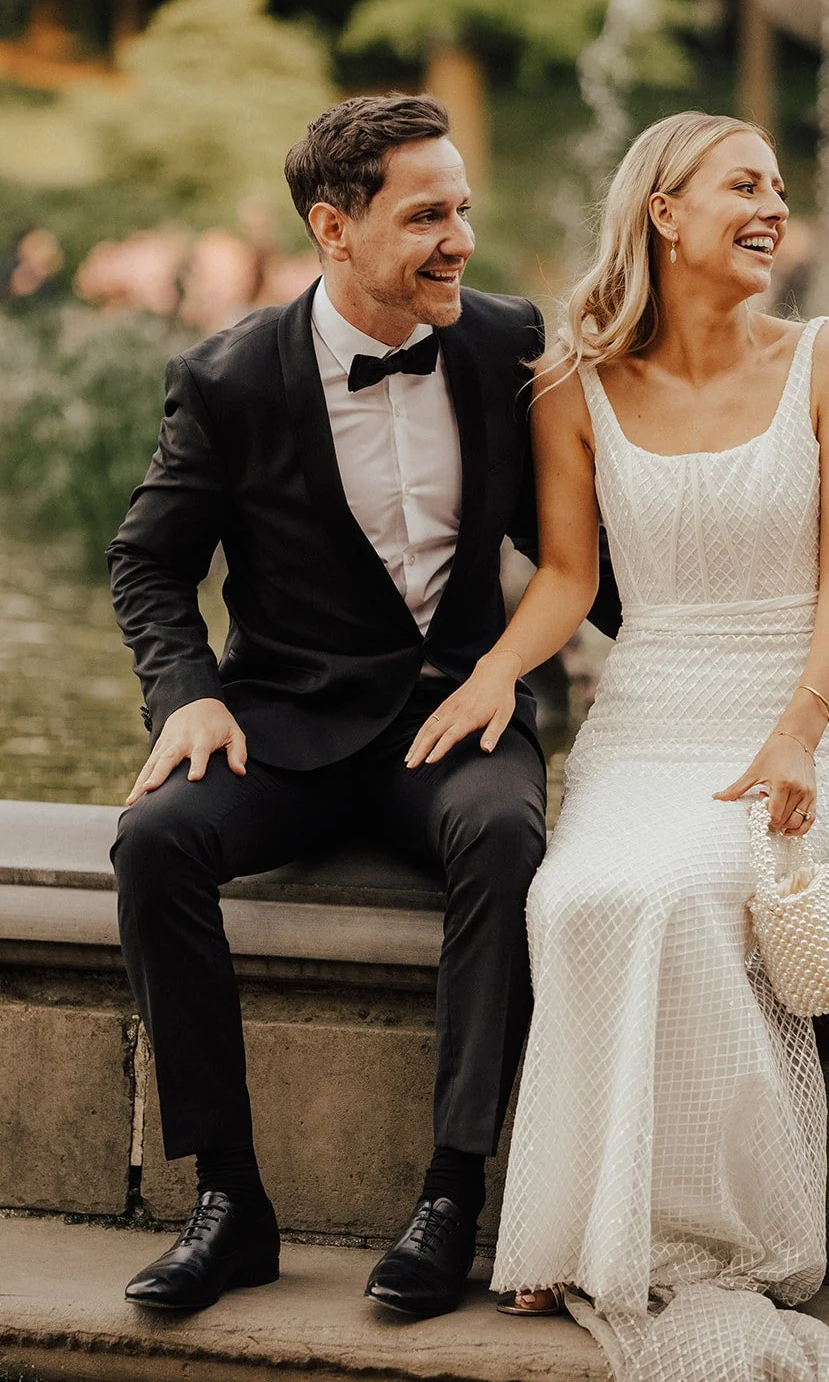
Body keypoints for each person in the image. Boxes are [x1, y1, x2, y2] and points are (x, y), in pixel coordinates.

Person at [407, 112, 829, 1382]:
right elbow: (569, 580)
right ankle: (582, 1230)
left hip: (793, 712)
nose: (770, 208)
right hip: (647, 716)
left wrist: (801, 728)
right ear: (664, 215)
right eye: (739, 186)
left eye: (773, 189)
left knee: (683, 894)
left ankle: (708, 1244)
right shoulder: (572, 382)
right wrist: (496, 677)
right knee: (575, 896)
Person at [107, 93, 618, 1318]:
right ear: (335, 231)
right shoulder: (226, 377)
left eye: (464, 209)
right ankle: (228, 1202)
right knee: (152, 841)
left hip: (457, 720)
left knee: (506, 837)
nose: (461, 239)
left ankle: (452, 1196)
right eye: (428, 215)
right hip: (278, 728)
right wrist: (184, 696)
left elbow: (571, 558)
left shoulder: (506, 342)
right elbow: (147, 564)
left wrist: (729, 673)